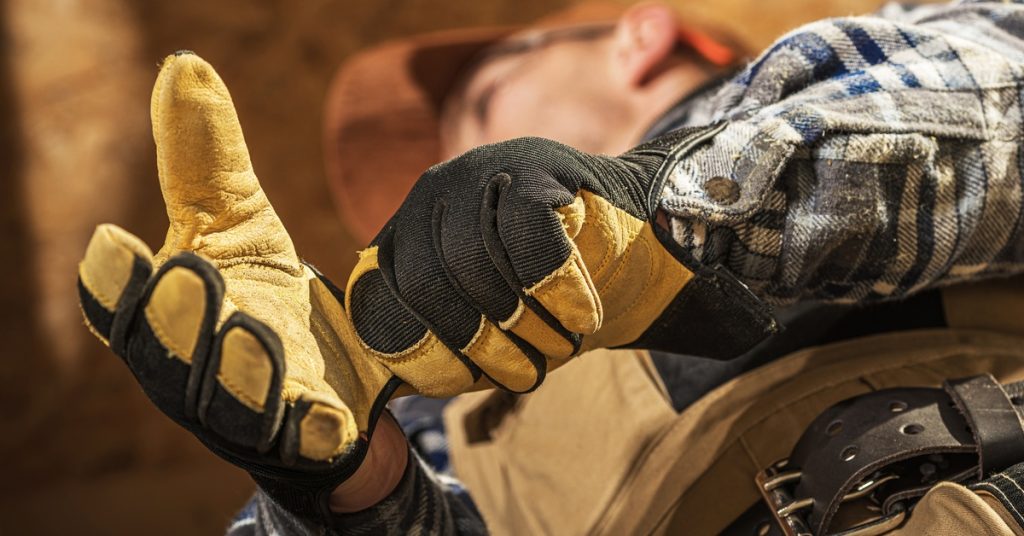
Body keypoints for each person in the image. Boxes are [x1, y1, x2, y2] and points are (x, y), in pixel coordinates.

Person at [74, 1, 1024, 534]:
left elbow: (996, 97)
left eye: (481, 104)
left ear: (641, 34)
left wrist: (665, 208)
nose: (428, 195)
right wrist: (345, 492)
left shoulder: (858, 68)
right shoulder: (449, 429)